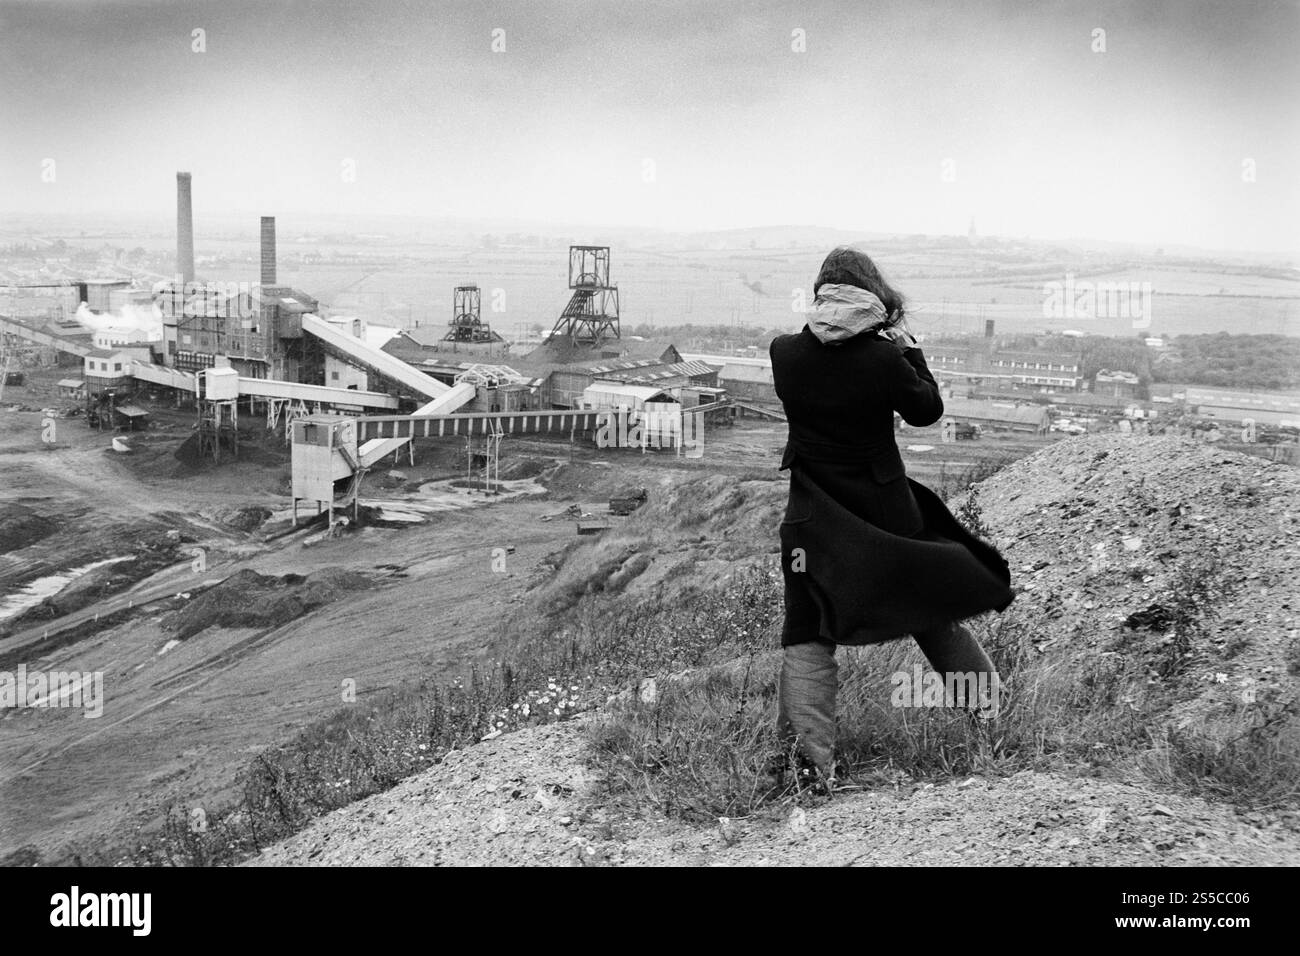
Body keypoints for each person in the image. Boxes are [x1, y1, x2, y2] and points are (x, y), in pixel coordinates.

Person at [769, 246, 1015, 787]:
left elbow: (817, 371)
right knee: (930, 613)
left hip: (812, 517)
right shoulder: (883, 358)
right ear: (873, 298)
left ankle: (808, 768)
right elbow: (927, 410)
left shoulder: (784, 352)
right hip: (886, 513)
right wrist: (912, 353)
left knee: (807, 632)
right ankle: (997, 724)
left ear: (822, 297)